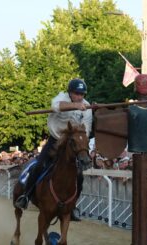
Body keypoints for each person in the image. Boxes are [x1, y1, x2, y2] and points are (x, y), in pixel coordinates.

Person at [15, 78, 93, 222]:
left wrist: (81, 142)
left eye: (82, 94)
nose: (80, 97)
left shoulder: (87, 108)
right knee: (39, 166)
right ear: (70, 92)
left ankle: (72, 206)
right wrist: (75, 105)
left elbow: (86, 130)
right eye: (77, 93)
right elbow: (56, 106)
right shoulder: (61, 97)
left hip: (72, 144)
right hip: (55, 140)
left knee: (79, 175)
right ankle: (26, 196)